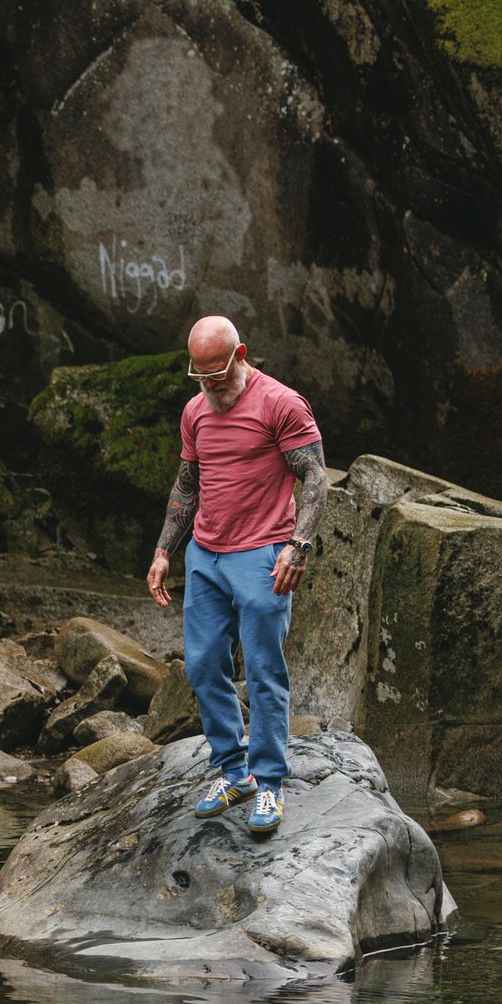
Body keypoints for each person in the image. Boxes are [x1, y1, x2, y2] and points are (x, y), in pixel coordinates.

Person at [145, 316, 329, 837]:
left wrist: (299, 545)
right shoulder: (195, 411)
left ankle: (269, 781)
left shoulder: (281, 404)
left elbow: (314, 476)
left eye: (218, 375)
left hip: (262, 553)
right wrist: (163, 551)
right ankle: (233, 772)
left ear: (241, 353)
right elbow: (186, 487)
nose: (210, 386)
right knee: (203, 667)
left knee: (265, 672)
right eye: (199, 376)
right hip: (205, 554)